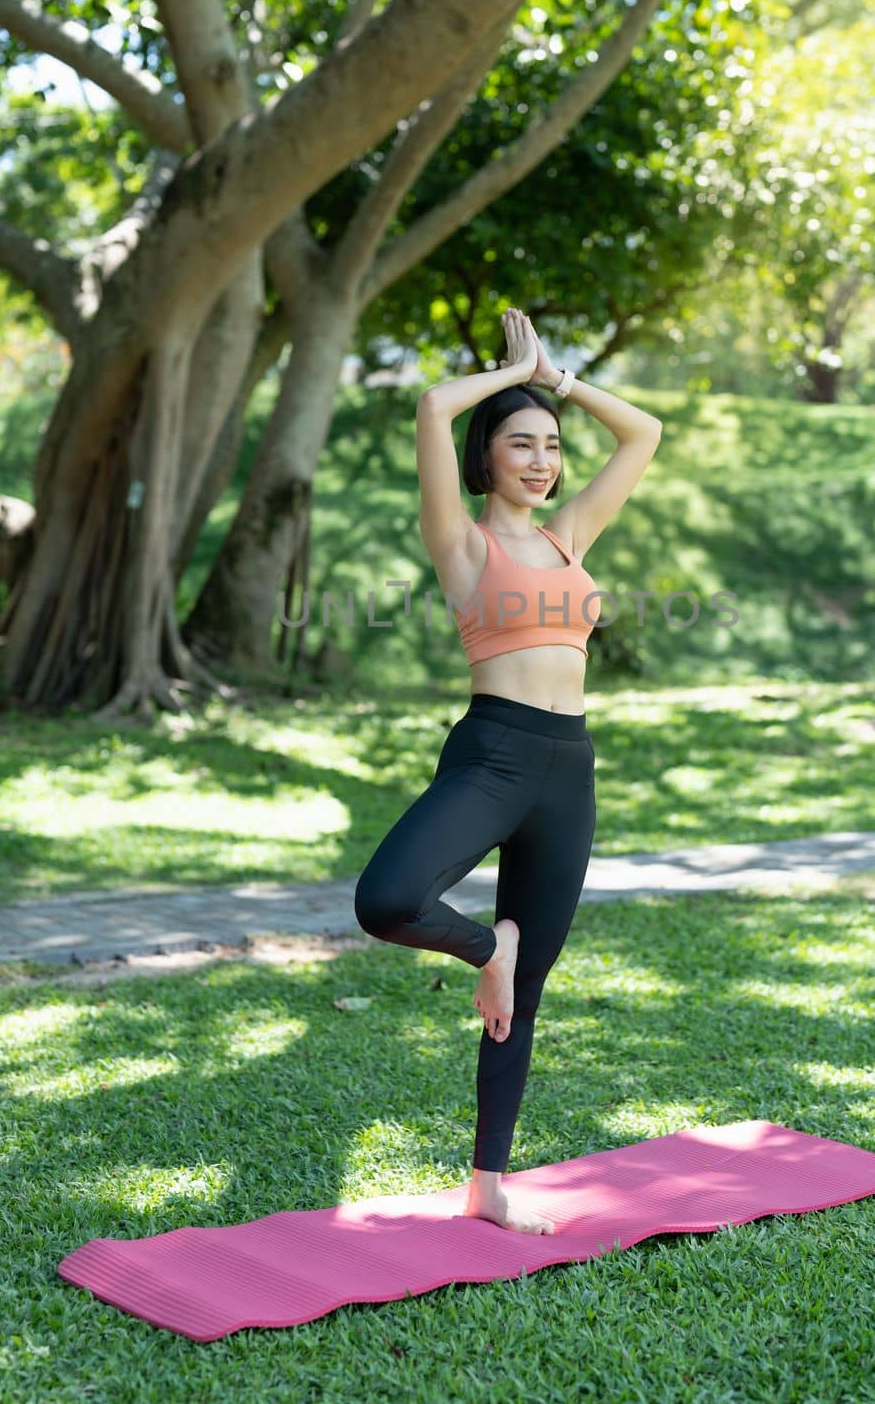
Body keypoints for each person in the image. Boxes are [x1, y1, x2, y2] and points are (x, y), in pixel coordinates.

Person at [354, 307, 662, 1234]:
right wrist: (511, 372)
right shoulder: (462, 543)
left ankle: (489, 1184)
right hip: (492, 754)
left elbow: (643, 433)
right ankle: (490, 946)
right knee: (388, 897)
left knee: (524, 1001)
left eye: (552, 446)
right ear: (485, 456)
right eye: (519, 444)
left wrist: (559, 380)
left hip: (569, 768)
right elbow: (431, 403)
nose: (539, 460)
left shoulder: (570, 535)